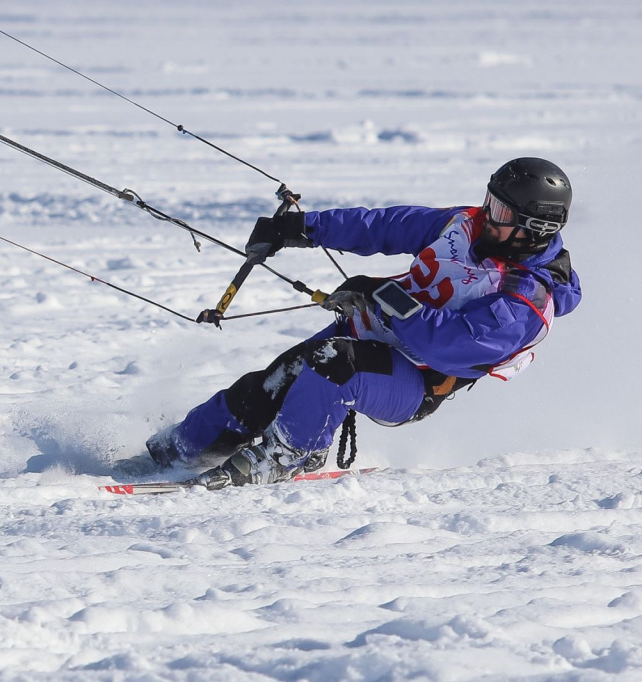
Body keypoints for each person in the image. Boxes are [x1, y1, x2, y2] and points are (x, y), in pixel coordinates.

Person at [144, 157, 582, 489]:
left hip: (416, 380)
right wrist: (301, 229)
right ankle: (176, 451)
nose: (488, 214)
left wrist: (383, 296)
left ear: (534, 228)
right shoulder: (464, 224)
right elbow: (386, 226)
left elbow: (451, 345)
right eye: (490, 202)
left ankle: (289, 454)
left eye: (502, 213)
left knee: (335, 363)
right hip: (370, 332)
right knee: (269, 385)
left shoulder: (527, 297)